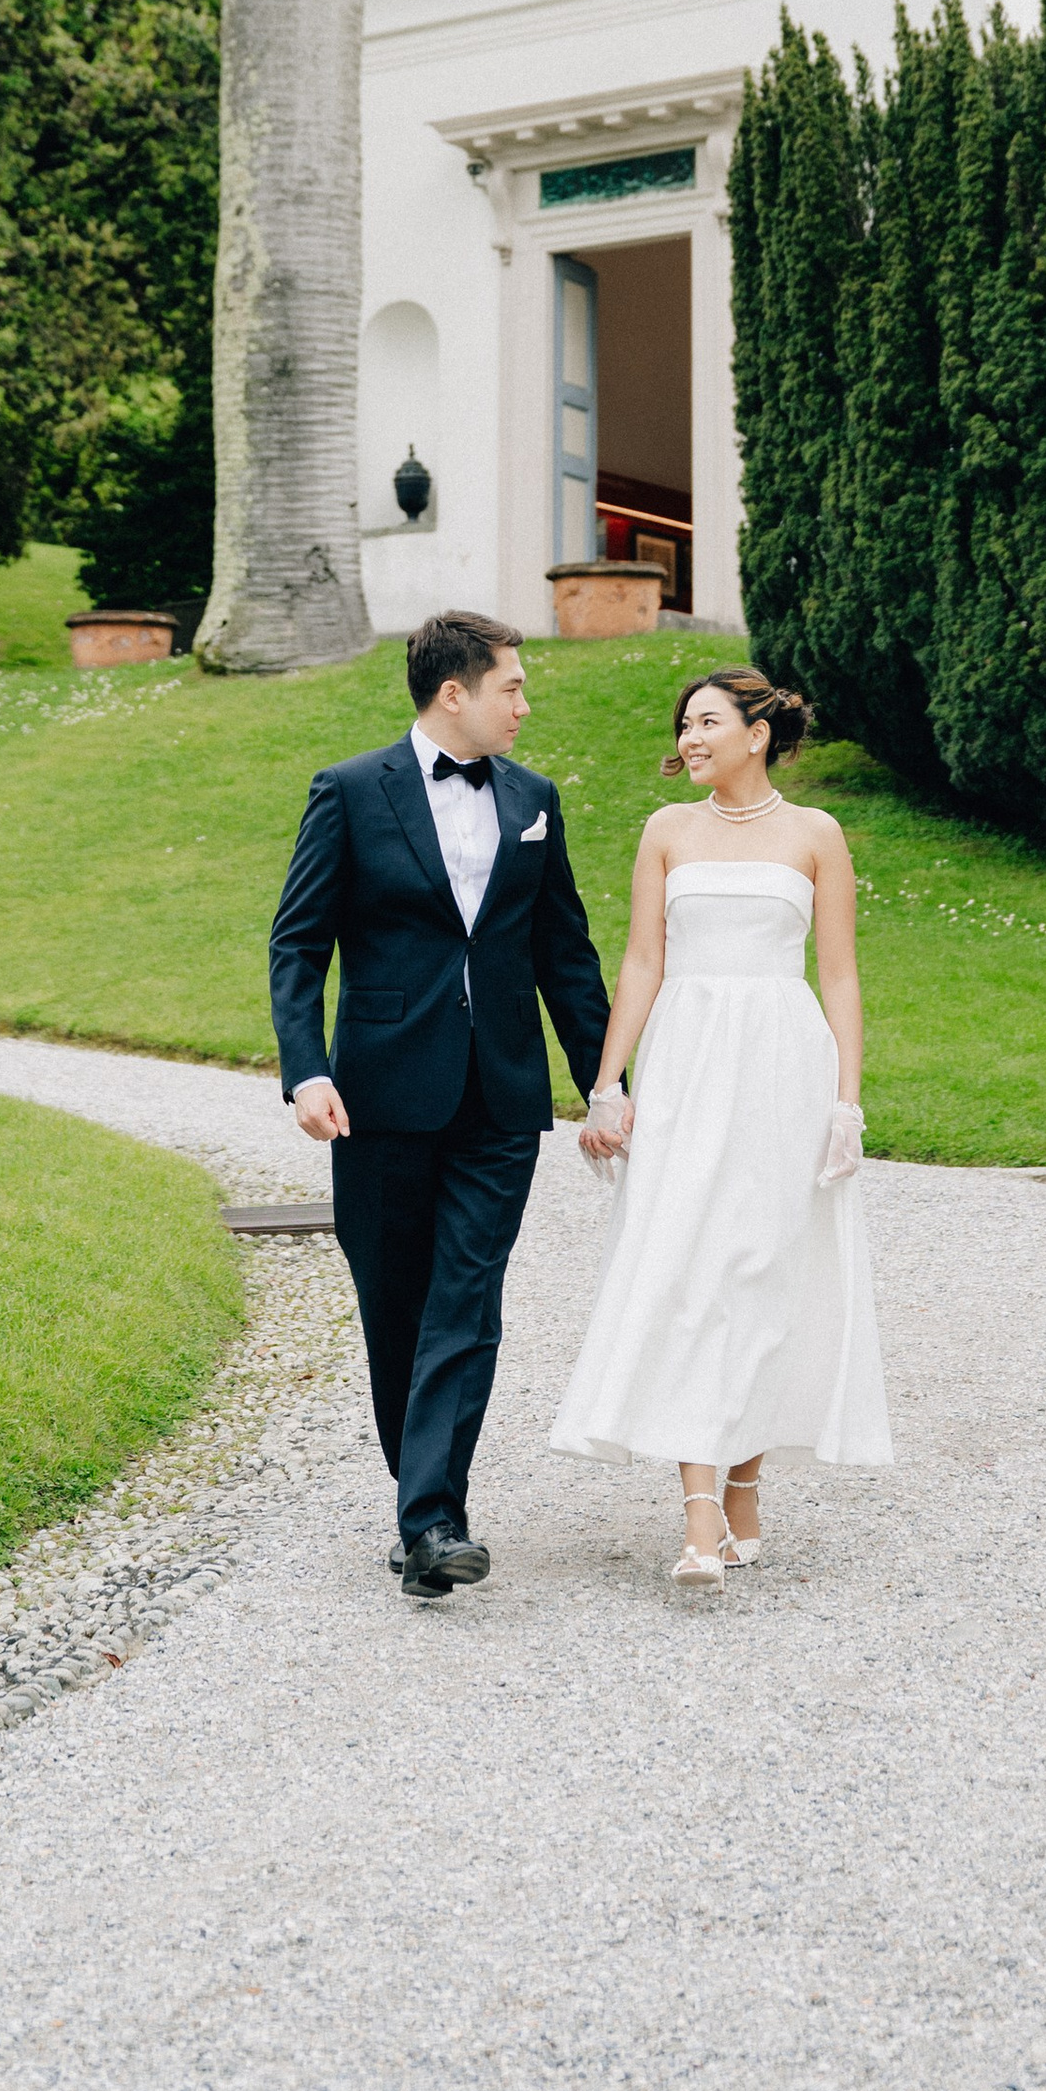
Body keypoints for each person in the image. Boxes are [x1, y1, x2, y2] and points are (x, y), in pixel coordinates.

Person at [270, 610, 611, 1600]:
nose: (524, 703)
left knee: (467, 1299)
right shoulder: (347, 791)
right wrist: (305, 1068)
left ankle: (432, 1518)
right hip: (376, 1091)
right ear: (452, 692)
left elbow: (565, 956)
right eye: (511, 685)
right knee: (394, 1301)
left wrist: (606, 1082)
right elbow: (298, 943)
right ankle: (422, 1495)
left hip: (501, 1094)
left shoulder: (534, 799)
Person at [549, 667, 891, 1581]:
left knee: (763, 1267)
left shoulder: (817, 835)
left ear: (758, 733)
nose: (691, 737)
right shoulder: (669, 831)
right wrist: (608, 1083)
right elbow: (642, 962)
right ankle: (701, 1516)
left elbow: (843, 977)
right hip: (690, 1063)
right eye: (684, 725)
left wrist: (847, 1102)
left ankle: (744, 1483)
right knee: (689, 1266)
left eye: (707, 722)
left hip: (785, 1064)